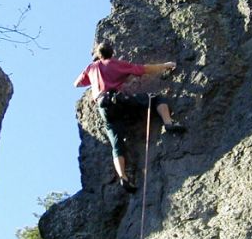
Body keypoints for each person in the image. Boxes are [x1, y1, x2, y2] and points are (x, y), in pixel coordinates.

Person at [74, 41, 185, 193]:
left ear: (98, 55)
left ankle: (123, 177)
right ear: (112, 53)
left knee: (116, 143)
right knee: (156, 99)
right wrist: (165, 65)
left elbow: (77, 84)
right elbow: (142, 69)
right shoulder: (115, 64)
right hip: (117, 100)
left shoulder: (91, 68)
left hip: (103, 107)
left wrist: (94, 79)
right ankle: (168, 122)